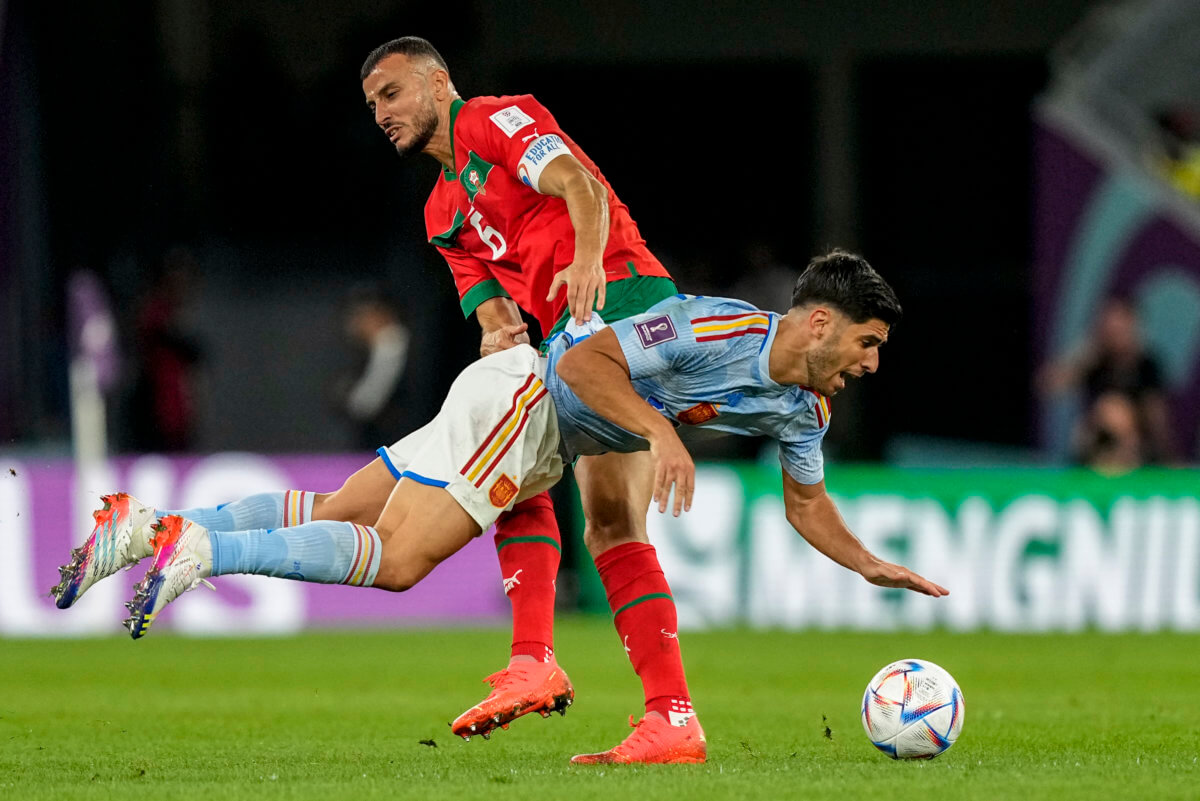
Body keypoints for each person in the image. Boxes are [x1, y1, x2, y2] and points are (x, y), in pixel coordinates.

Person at [53, 251, 948, 764]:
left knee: (341, 506)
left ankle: (154, 531)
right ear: (821, 324)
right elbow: (584, 363)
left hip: (522, 415)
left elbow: (808, 502)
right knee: (399, 560)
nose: (871, 364)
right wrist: (660, 433)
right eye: (867, 344)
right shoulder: (712, 330)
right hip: (529, 402)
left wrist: (868, 561)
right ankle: (205, 557)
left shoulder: (806, 405)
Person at [58, 35, 693, 757]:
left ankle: (555, 667)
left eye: (391, 94)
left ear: (438, 82)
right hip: (558, 357)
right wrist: (497, 326)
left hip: (625, 319)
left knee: (425, 548)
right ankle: (155, 530)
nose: (381, 113)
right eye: (371, 105)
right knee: (573, 517)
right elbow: (491, 315)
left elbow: (578, 183)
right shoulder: (441, 214)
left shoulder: (494, 118)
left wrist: (585, 263)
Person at [1039, 295, 1178, 466]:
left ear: (1132, 325)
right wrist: (1085, 354)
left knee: (1114, 409)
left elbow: (1155, 418)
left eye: (1119, 326)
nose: (1114, 332)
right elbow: (1047, 386)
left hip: (1134, 453)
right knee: (1102, 413)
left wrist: (1167, 458)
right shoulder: (1095, 361)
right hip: (1095, 447)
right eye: (1109, 326)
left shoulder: (1146, 366)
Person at [337, 284, 412, 451]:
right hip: (374, 450)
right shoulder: (363, 355)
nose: (355, 325)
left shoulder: (398, 345)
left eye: (361, 316)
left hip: (405, 449)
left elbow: (366, 404)